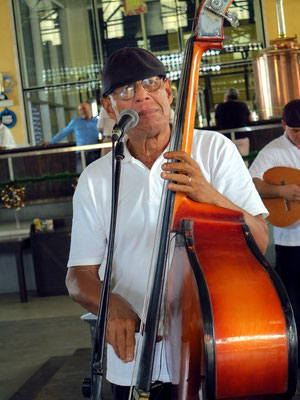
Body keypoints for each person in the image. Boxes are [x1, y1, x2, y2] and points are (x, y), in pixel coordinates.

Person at [65, 47, 268, 400]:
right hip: (132, 359)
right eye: (126, 90)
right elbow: (78, 275)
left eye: (151, 83)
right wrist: (111, 304)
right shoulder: (96, 178)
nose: (142, 96)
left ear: (169, 91)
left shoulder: (214, 150)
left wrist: (209, 194)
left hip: (215, 347)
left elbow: (260, 240)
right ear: (110, 106)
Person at [249, 98, 300, 364]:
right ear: (283, 126)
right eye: (295, 132)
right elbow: (252, 183)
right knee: (294, 302)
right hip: (291, 241)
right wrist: (281, 191)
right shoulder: (272, 152)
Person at [43, 102, 99, 172]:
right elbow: (63, 133)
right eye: (80, 110)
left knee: (97, 175)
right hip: (80, 155)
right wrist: (51, 142)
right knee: (81, 177)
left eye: (84, 109)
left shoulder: (97, 122)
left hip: (95, 154)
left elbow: (105, 133)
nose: (82, 111)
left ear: (90, 108)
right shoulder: (75, 122)